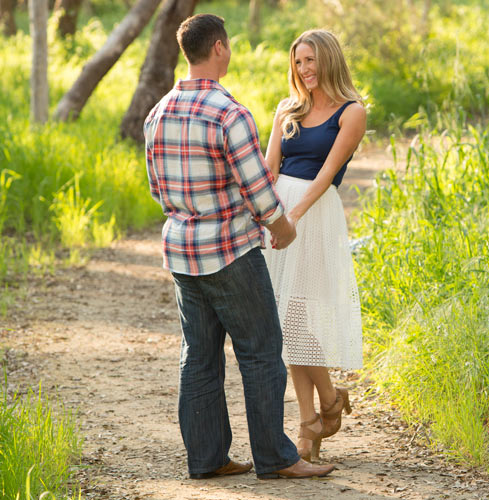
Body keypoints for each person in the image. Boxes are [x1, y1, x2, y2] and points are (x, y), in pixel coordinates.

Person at [143, 14, 335, 480]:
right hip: (230, 251)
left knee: (200, 356)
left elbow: (155, 187)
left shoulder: (158, 111)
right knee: (262, 350)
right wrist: (280, 225)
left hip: (183, 253)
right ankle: (275, 458)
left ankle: (208, 459)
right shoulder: (229, 113)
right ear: (220, 48)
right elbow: (255, 184)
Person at [262, 29, 367, 461]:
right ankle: (320, 408)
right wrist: (263, 215)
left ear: (328, 60)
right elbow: (270, 170)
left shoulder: (351, 112)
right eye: (298, 62)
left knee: (295, 315)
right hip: (279, 214)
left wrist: (295, 216)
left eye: (310, 61)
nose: (304, 70)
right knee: (284, 321)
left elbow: (326, 174)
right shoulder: (286, 109)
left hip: (313, 214)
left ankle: (312, 422)